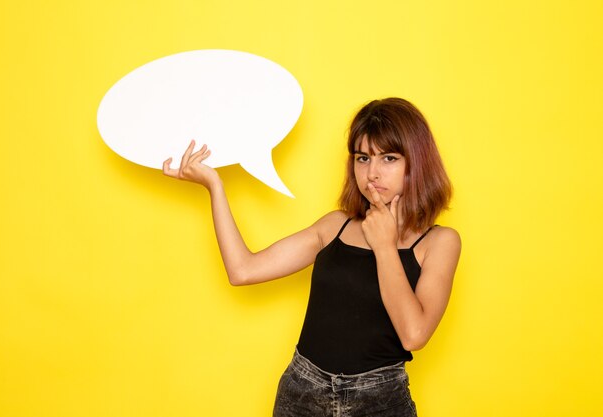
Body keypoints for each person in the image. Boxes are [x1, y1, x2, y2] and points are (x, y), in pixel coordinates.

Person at [163, 97, 461, 417]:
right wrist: (214, 187)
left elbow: (414, 335)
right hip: (302, 393)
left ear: (416, 162)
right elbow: (242, 270)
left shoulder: (439, 242)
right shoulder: (335, 225)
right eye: (362, 158)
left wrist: (385, 246)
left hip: (380, 402)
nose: (372, 173)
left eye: (388, 158)